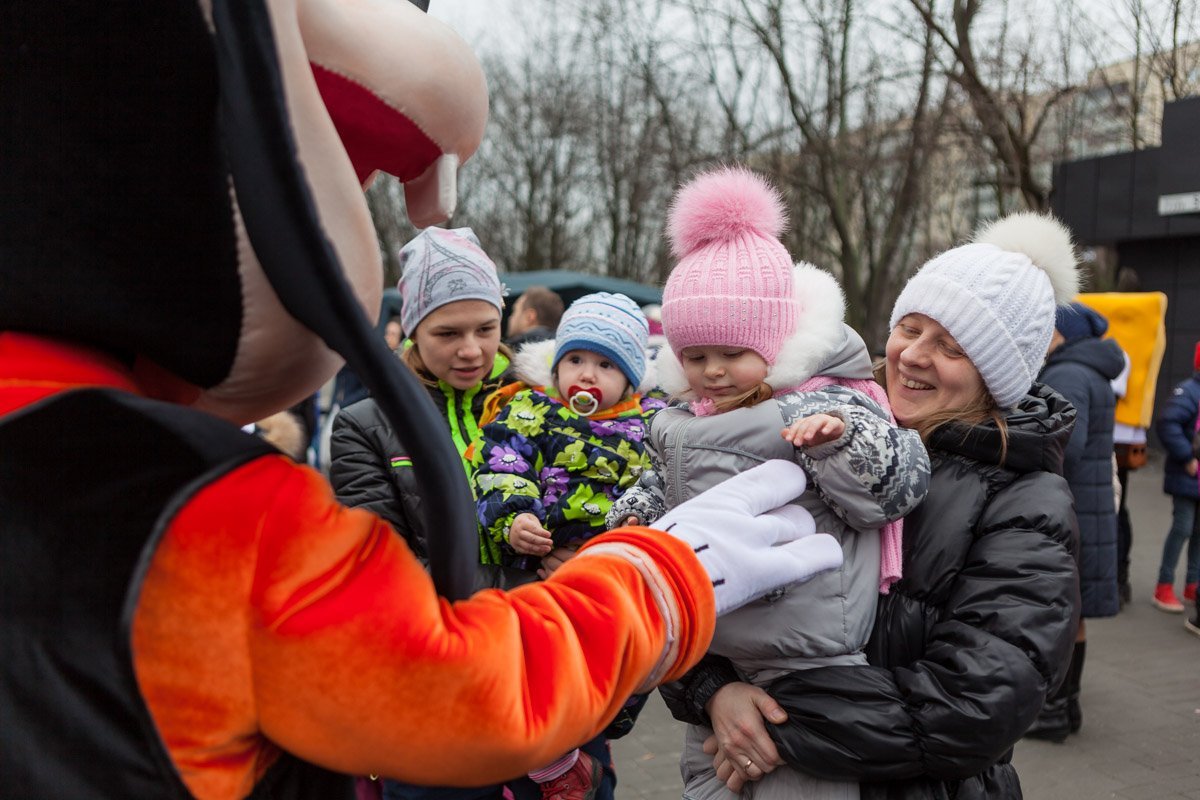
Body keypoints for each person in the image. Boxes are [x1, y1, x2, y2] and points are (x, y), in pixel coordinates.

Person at [661, 211, 1082, 799]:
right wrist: (713, 692)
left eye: (951, 347)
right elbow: (706, 585)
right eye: (909, 328)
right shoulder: (823, 423)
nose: (912, 355)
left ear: (997, 376)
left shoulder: (1024, 497)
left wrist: (776, 718)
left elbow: (980, 702)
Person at [612, 167, 931, 800]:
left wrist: (840, 437)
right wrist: (624, 533)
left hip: (813, 660)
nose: (713, 372)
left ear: (774, 338)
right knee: (706, 778)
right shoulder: (677, 423)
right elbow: (658, 497)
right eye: (695, 356)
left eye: (731, 352)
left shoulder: (829, 402)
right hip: (716, 650)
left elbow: (895, 487)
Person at [474, 291, 663, 800]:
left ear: (630, 377)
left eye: (605, 364)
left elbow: (661, 494)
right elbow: (500, 466)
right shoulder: (530, 410)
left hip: (610, 572)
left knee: (615, 660)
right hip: (536, 566)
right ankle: (551, 762)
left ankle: (591, 736)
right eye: (575, 359)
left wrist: (613, 551)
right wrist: (514, 520)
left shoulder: (651, 426)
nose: (587, 374)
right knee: (535, 663)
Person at [330, 227, 515, 565]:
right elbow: (385, 566)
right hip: (439, 616)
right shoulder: (364, 427)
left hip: (550, 616)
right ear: (413, 332)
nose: (472, 350)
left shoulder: (540, 403)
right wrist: (534, 587)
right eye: (448, 333)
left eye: (486, 329)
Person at [1025, 301, 1123, 741]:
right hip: (1091, 504)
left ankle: (1053, 712)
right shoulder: (1092, 371)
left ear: (1060, 334)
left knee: (1060, 610)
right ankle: (1067, 708)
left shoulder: (1066, 374)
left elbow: (1068, 444)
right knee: (1073, 610)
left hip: (1072, 506)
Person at [1151, 342, 1200, 613]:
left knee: (1198, 533)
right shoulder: (1189, 391)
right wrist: (1187, 458)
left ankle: (1193, 583)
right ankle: (1164, 585)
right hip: (1188, 475)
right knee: (1182, 527)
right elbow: (1168, 423)